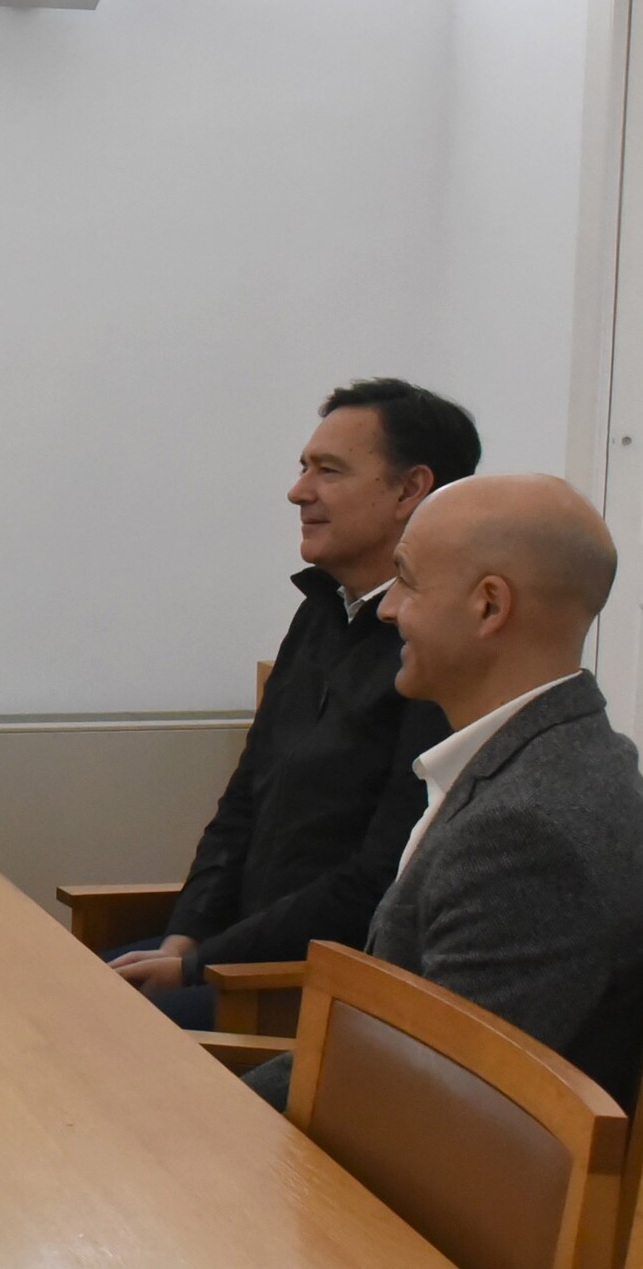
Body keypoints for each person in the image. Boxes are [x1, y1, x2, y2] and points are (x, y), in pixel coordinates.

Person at [247, 475, 643, 1109]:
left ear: (489, 607)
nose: (388, 609)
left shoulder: (527, 833)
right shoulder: (559, 761)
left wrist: (217, 1118)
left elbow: (425, 1099)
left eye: (407, 581)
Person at [108, 380, 478, 1028]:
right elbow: (244, 799)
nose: (298, 492)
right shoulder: (320, 612)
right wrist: (184, 937)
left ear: (410, 490)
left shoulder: (441, 650)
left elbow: (382, 877)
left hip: (314, 987)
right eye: (303, 468)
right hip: (233, 953)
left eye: (328, 471)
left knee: (83, 1030)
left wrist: (199, 967)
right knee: (45, 993)